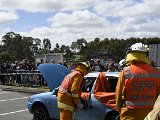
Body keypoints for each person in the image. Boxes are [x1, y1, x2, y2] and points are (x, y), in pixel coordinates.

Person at [115, 43, 160, 120]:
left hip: (129, 115)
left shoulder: (125, 72)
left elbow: (118, 95)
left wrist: (120, 109)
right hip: (150, 115)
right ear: (146, 56)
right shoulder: (156, 72)